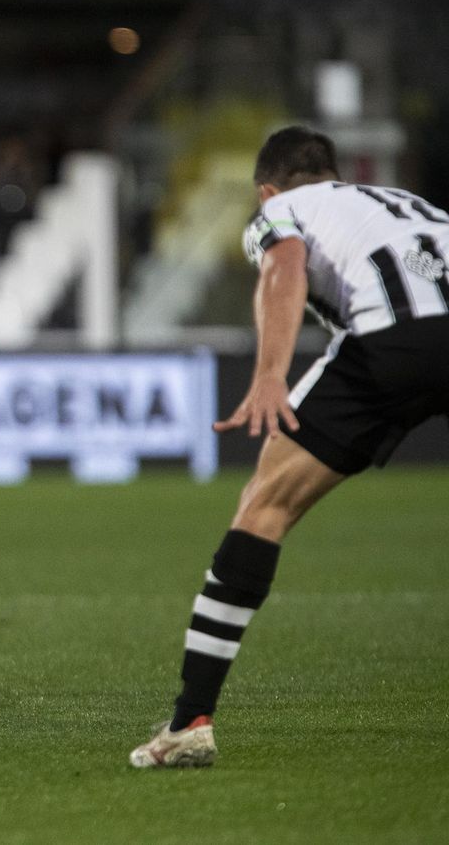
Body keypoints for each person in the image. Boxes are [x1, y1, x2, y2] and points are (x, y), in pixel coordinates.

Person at [130, 126, 449, 768]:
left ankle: (191, 722)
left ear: (266, 188)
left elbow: (284, 264)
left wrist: (271, 371)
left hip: (390, 342)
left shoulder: (280, 210)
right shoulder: (419, 207)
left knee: (263, 507)